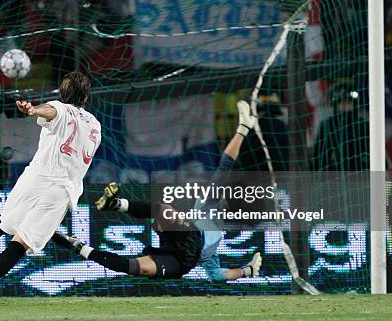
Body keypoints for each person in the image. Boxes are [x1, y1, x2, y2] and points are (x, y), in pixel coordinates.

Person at [54, 100, 262, 282]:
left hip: (181, 260)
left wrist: (247, 270)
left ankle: (78, 246)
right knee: (165, 210)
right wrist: (242, 129)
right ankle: (115, 203)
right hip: (181, 235)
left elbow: (215, 276)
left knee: (136, 267)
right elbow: (225, 165)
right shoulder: (209, 203)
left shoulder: (215, 240)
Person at [0, 71, 101, 306]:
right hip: (60, 190)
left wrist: (32, 110)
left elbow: (50, 111)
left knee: (3, 221)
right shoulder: (95, 125)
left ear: (63, 93)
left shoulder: (60, 108)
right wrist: (36, 110)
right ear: (86, 96)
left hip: (34, 178)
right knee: (21, 242)